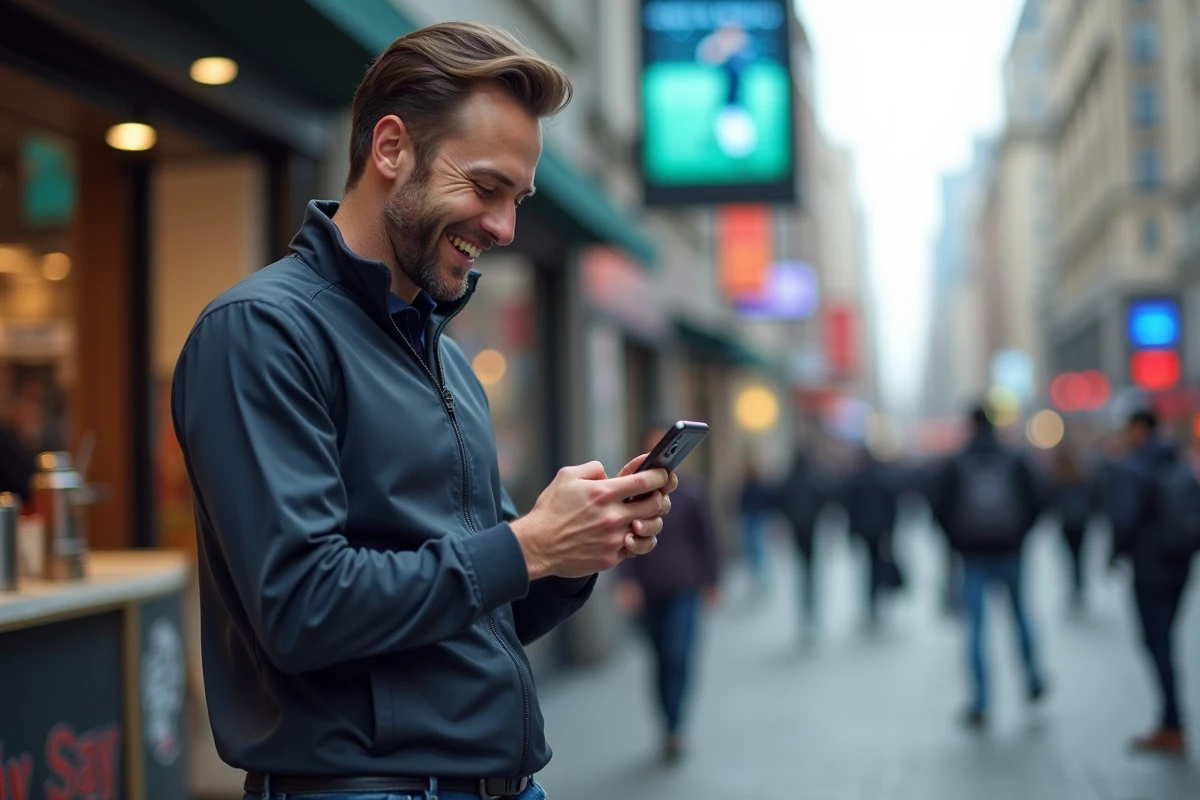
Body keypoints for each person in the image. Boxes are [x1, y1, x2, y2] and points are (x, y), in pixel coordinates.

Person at [171, 23, 677, 800]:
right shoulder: (260, 331)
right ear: (391, 148)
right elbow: (304, 608)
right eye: (484, 187)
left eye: (518, 199)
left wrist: (575, 551)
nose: (505, 227)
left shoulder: (447, 360)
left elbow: (481, 609)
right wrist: (528, 545)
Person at [931, 405, 1047, 728]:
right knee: (1021, 615)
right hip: (1011, 551)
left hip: (972, 555)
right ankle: (1032, 677)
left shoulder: (957, 463)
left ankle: (981, 701)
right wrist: (1019, 534)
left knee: (976, 630)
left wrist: (957, 540)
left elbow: (938, 507)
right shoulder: (1014, 459)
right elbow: (1038, 500)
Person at [615, 424, 722, 764]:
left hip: (684, 588)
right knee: (660, 658)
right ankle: (667, 721)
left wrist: (712, 581)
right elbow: (622, 537)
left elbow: (707, 539)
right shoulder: (632, 493)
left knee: (678, 654)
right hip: (649, 589)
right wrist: (625, 581)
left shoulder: (690, 491)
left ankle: (675, 726)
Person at [1109, 409, 1194, 754]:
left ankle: (1172, 721)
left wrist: (1117, 552)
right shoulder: (1180, 463)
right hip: (1181, 563)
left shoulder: (1134, 468)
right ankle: (1172, 720)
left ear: (1138, 429)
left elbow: (1125, 518)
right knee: (1166, 641)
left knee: (1156, 643)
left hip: (1149, 567)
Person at [844, 447, 902, 627]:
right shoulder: (883, 479)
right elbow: (891, 505)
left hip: (864, 530)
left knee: (870, 567)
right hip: (880, 530)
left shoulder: (857, 480)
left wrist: (851, 532)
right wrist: (891, 530)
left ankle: (871, 602)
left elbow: (850, 507)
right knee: (878, 565)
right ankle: (877, 600)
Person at [773, 452, 828, 636]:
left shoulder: (789, 482)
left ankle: (805, 611)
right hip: (810, 529)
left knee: (802, 570)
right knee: (810, 570)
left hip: (797, 529)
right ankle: (811, 610)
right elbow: (823, 499)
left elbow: (780, 501)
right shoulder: (814, 481)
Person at [1048, 443, 1094, 610]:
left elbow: (1052, 500)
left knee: (1069, 557)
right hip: (1081, 522)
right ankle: (1078, 586)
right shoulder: (1081, 474)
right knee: (1079, 556)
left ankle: (1074, 586)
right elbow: (1092, 496)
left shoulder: (1058, 476)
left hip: (1067, 522)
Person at [738, 460, 773, 598]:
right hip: (753, 518)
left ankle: (760, 578)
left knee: (757, 548)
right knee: (754, 549)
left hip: (755, 518)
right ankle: (758, 577)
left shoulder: (755, 486)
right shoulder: (751, 486)